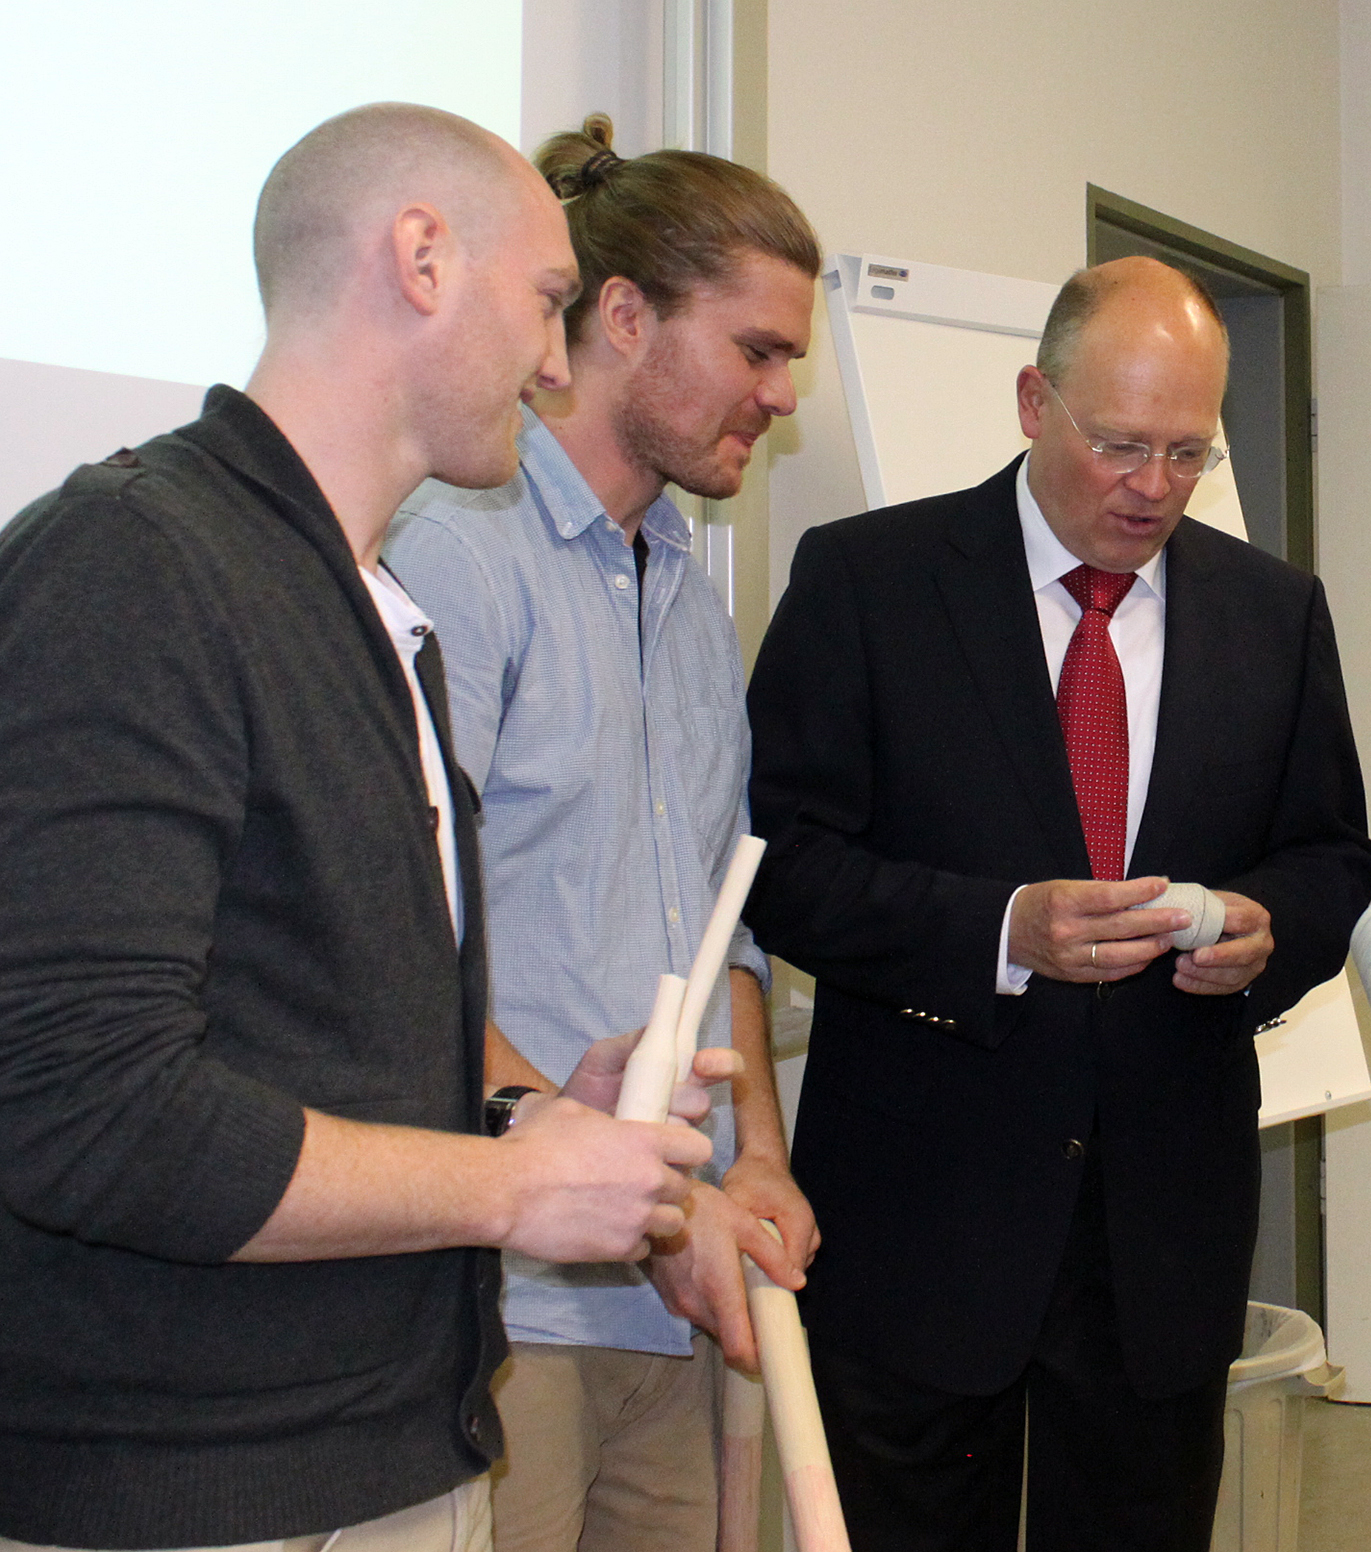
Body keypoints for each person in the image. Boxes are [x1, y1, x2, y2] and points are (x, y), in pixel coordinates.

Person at [0, 103, 727, 1552]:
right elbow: (81, 1110)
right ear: (420, 258)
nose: (559, 368)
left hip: (391, 1454)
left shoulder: (380, 614)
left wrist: (531, 1112)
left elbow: (318, 1031)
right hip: (176, 1490)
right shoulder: (129, 564)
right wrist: (509, 1186)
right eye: (548, 305)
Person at [744, 255, 1371, 1550]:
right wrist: (996, 932)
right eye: (1119, 445)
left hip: (1160, 1237)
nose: (1152, 487)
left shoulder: (1271, 615)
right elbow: (783, 868)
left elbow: (1332, 861)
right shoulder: (871, 584)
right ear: (1033, 399)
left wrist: (1264, 938)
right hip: (921, 1224)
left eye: (1186, 454)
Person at [385, 114, 821, 1552]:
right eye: (756, 349)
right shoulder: (460, 551)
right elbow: (406, 930)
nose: (781, 393)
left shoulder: (689, 595)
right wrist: (564, 1146)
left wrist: (753, 1150)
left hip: (675, 1271)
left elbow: (725, 927)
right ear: (620, 318)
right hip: (507, 1287)